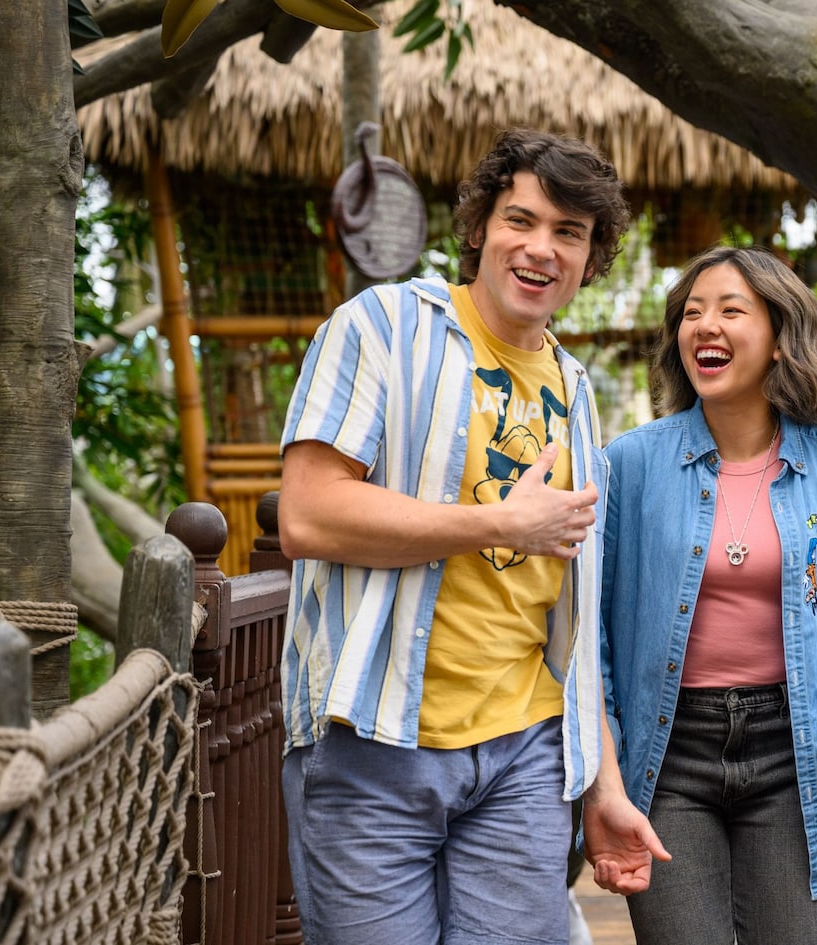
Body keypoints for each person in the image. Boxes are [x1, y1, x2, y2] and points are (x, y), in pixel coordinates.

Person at [275, 128, 632, 945]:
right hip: (375, 740)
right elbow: (306, 516)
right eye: (522, 219)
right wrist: (498, 523)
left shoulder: (576, 389)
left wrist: (602, 783)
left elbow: (570, 624)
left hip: (526, 755)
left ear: (590, 255)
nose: (541, 248)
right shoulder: (382, 325)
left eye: (569, 233)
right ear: (478, 227)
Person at [581, 246, 817, 944]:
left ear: (779, 337)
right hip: (666, 753)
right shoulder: (631, 464)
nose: (706, 326)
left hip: (794, 752)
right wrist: (602, 773)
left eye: (732, 310)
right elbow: (593, 641)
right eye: (692, 313)